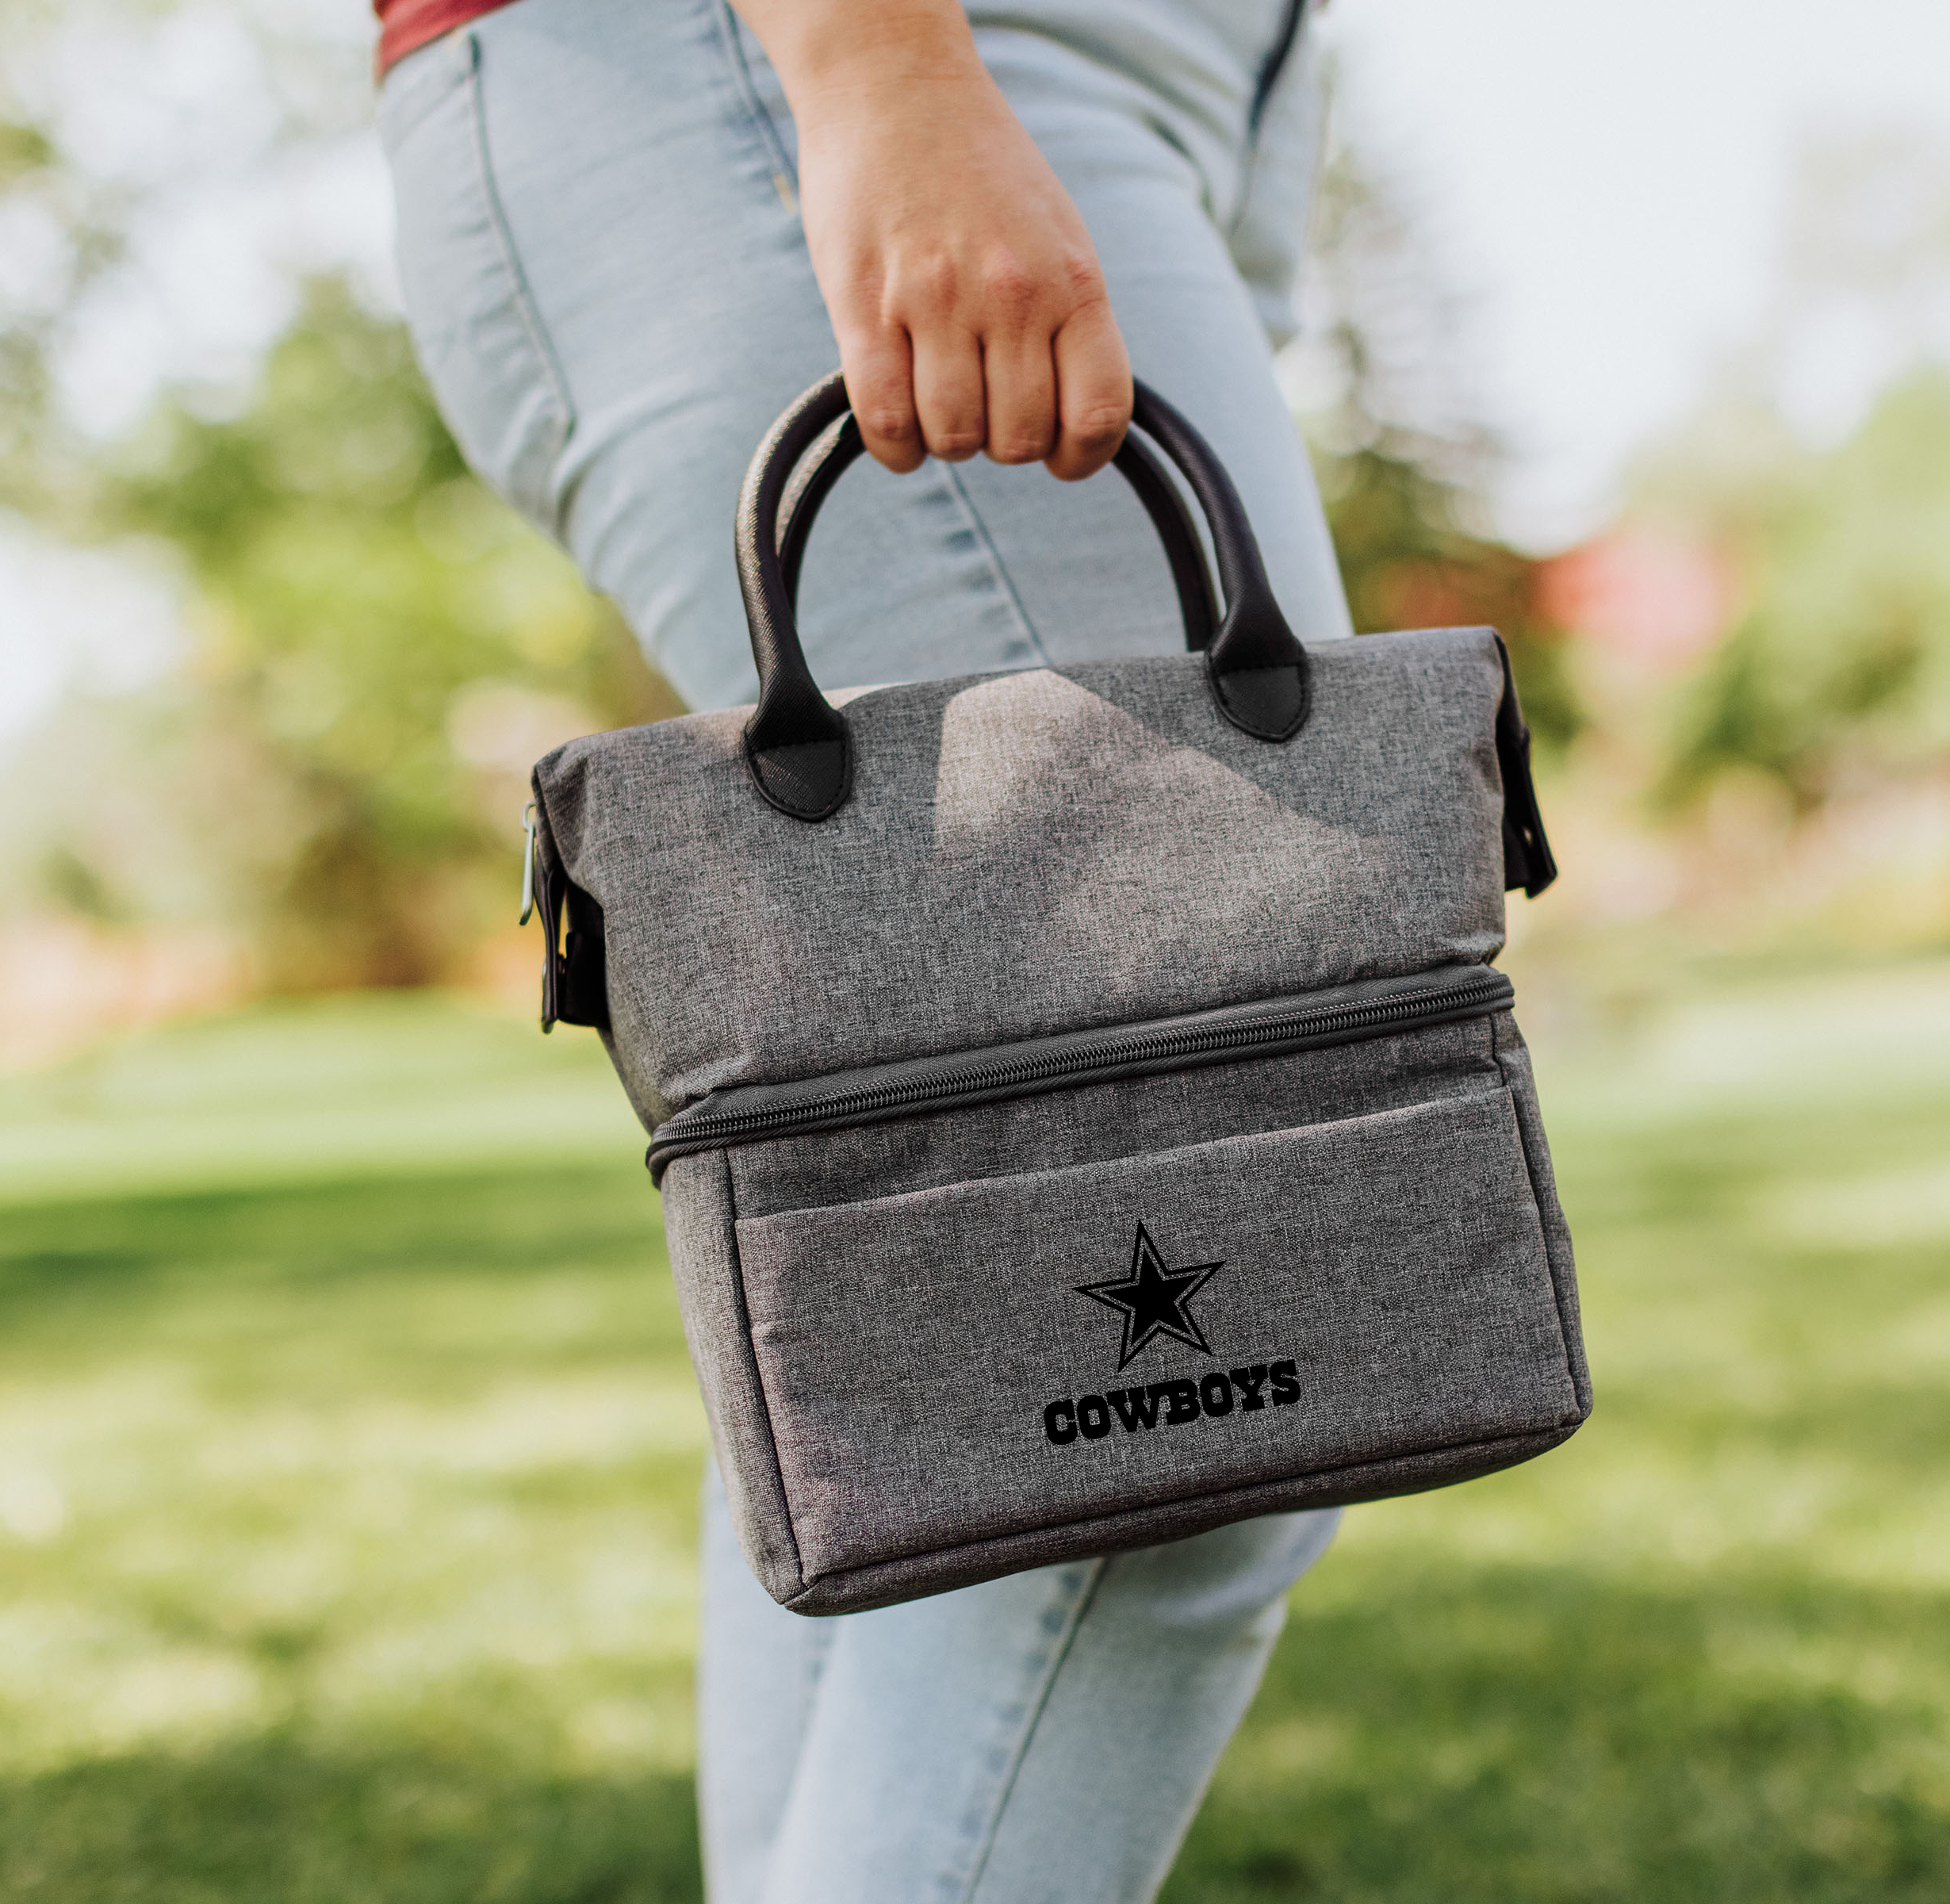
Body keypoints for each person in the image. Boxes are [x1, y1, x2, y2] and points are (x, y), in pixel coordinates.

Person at [375, 2, 1352, 1896]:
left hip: (1135, 82)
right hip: (826, 49)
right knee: (1209, 1348)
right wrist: (877, 67)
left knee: (915, 1317)